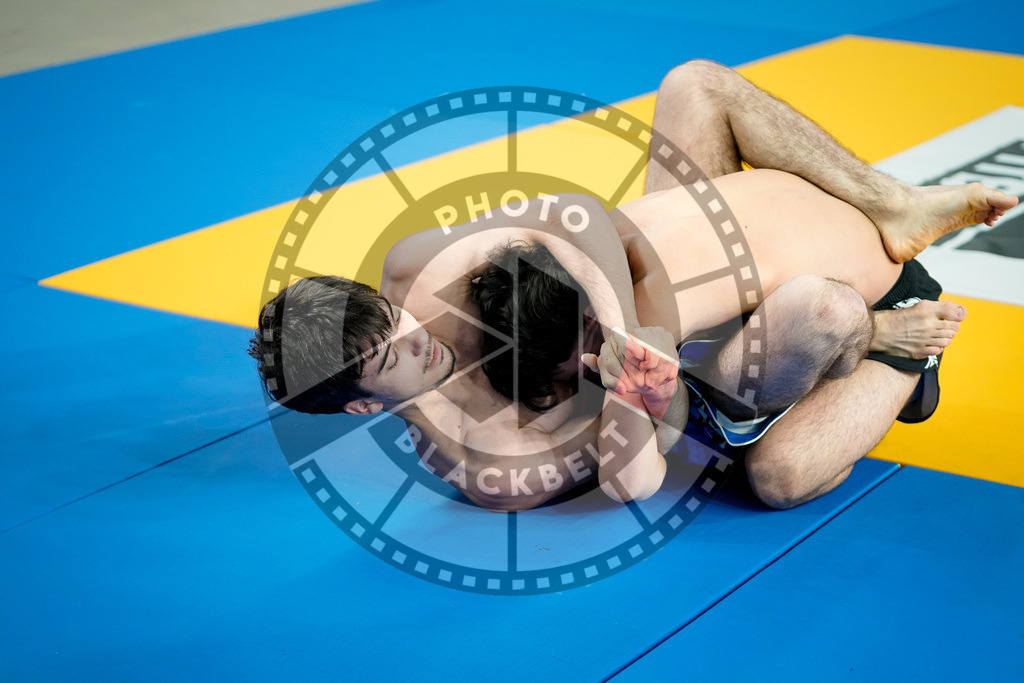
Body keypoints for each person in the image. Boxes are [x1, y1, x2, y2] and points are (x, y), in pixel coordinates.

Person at [250, 60, 1017, 511]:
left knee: (693, 85)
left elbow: (574, 215)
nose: (417, 336)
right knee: (779, 468)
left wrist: (616, 328)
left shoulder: (416, 271)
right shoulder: (487, 461)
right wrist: (631, 385)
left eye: (394, 320)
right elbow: (646, 463)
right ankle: (886, 342)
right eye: (393, 357)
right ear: (362, 404)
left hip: (750, 277)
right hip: (778, 314)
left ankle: (891, 206)